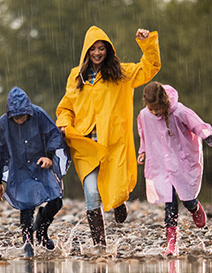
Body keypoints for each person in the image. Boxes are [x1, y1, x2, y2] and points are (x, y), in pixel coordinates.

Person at [56, 26, 161, 248]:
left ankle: (119, 201)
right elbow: (66, 108)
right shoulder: (76, 76)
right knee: (92, 194)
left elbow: (149, 67)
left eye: (101, 48)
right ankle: (100, 246)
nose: (97, 53)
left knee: (118, 186)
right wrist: (64, 124)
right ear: (86, 51)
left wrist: (147, 43)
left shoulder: (121, 74)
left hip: (113, 142)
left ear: (108, 50)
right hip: (86, 145)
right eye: (93, 49)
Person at [137, 82, 212, 256]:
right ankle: (171, 242)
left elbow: (197, 125)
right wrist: (143, 152)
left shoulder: (179, 111)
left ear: (163, 101)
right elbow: (144, 135)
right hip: (161, 163)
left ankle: (194, 207)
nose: (155, 113)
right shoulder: (144, 115)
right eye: (151, 109)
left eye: (157, 109)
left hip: (181, 160)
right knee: (169, 202)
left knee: (187, 198)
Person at [0, 86, 70, 257]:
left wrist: (48, 156)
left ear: (28, 111)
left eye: (22, 116)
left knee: (56, 201)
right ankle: (27, 243)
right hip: (21, 169)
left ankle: (41, 229)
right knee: (25, 206)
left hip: (42, 165)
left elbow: (53, 135)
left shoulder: (38, 114)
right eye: (16, 117)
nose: (19, 120)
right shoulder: (3, 123)